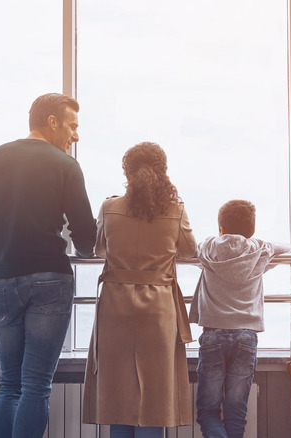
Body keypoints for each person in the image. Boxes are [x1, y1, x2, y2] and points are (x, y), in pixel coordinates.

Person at [0, 93, 96, 438]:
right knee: (36, 385)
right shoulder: (65, 165)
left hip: (4, 278)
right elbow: (86, 234)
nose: (75, 135)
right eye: (72, 126)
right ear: (52, 122)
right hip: (50, 281)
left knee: (8, 384)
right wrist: (86, 251)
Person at [82, 141, 196, 438]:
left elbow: (98, 249)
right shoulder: (176, 210)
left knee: (117, 395)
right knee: (155, 398)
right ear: (163, 172)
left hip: (115, 307)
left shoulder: (109, 207)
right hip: (158, 309)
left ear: (127, 173)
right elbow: (188, 251)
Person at [188, 200, 291, 438]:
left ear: (221, 229)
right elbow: (287, 248)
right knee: (236, 412)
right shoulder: (259, 251)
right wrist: (261, 245)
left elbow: (188, 249)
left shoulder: (208, 248)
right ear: (252, 230)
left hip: (213, 334)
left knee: (208, 412)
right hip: (247, 336)